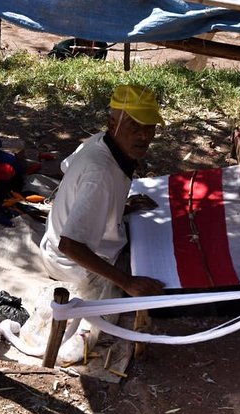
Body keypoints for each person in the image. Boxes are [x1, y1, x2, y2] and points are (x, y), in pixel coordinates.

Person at [40, 85, 165, 346]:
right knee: (156, 275)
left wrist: (118, 207)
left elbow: (67, 166)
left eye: (150, 126)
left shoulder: (100, 141)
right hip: (70, 266)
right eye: (135, 126)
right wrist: (127, 282)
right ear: (113, 123)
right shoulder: (101, 175)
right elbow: (70, 244)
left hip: (56, 245)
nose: (144, 135)